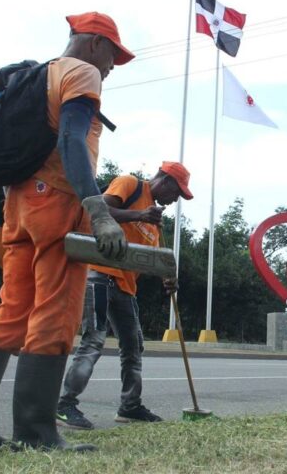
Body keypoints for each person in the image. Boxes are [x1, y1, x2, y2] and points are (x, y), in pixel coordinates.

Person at [0, 11, 135, 452]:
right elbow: (72, 140)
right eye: (112, 54)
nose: (111, 66)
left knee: (12, 311)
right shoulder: (82, 72)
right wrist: (98, 209)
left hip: (18, 204)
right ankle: (35, 434)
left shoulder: (35, 77)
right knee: (56, 313)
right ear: (93, 43)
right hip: (56, 206)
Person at [55, 162, 193, 430]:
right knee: (93, 340)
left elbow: (145, 260)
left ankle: (130, 407)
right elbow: (98, 209)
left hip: (126, 288)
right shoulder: (130, 184)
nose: (174, 200)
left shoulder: (154, 226)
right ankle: (64, 406)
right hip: (98, 275)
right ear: (165, 180)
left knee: (133, 346)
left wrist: (166, 276)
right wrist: (139, 214)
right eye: (176, 193)